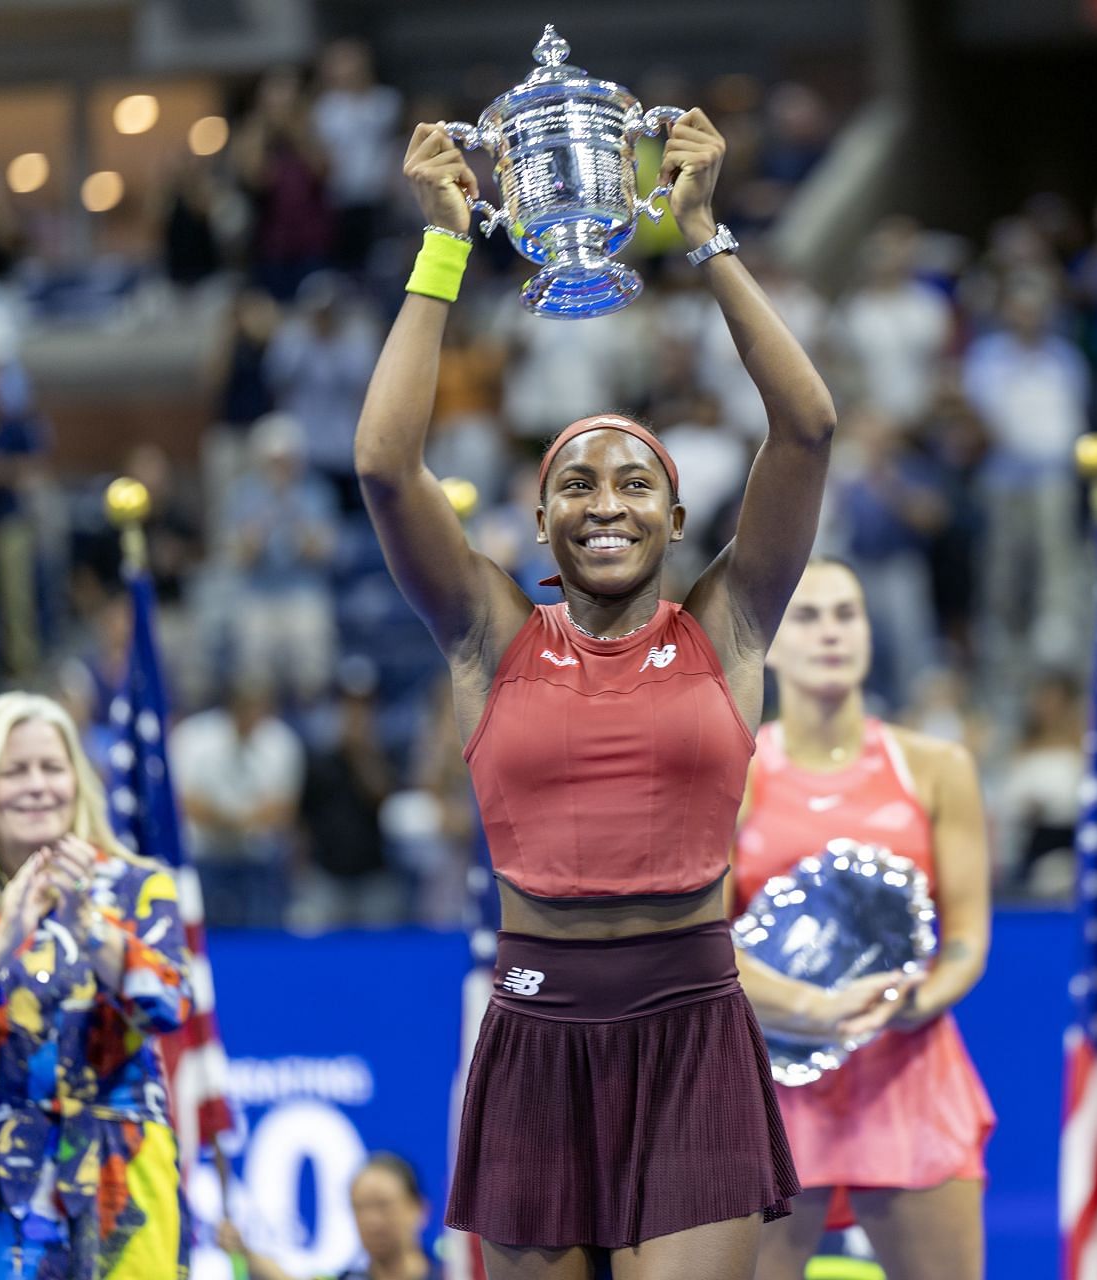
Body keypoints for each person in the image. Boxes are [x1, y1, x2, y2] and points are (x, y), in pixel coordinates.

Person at [356, 111, 835, 1279]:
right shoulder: (486, 631)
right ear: (539, 518)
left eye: (636, 480)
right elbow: (382, 463)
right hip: (534, 1032)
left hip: (696, 1033)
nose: (606, 500)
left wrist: (704, 235)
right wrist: (444, 247)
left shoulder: (727, 624)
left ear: (678, 518)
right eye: (577, 480)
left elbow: (809, 427)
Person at [730, 560, 994, 1280]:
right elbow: (701, 944)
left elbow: (966, 937)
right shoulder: (733, 772)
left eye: (847, 614)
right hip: (768, 1088)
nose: (831, 633)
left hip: (908, 1074)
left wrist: (920, 1000)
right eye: (808, 617)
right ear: (771, 642)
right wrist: (813, 1008)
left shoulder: (937, 768)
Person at [0, 691, 193, 1274]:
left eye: (52, 768)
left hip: (120, 1170)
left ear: (77, 780)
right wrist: (3, 935)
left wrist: (87, 921)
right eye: (14, 771)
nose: (37, 786)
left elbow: (169, 1006)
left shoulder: (140, 887)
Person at [219, 1151, 436, 1280]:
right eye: (360, 1207)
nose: (372, 1221)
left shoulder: (456, 1273)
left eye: (383, 1205)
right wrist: (243, 1250)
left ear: (418, 1208)